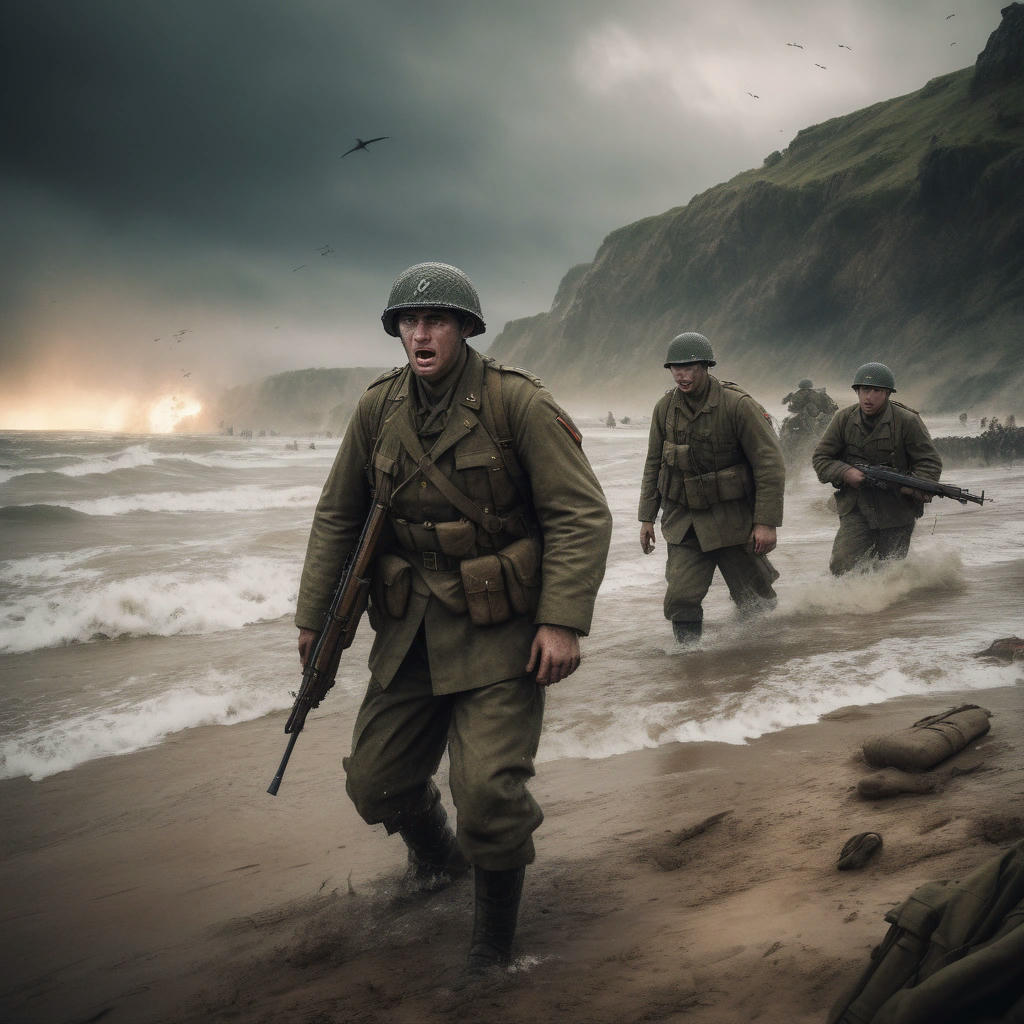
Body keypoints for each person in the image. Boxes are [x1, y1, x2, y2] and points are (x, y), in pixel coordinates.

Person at [294, 261, 612, 974]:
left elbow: (580, 514)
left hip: (502, 633)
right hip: (408, 634)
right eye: (409, 321)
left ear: (466, 329)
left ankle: (491, 947)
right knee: (374, 783)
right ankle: (439, 864)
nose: (421, 333)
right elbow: (338, 513)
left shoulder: (515, 404)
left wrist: (562, 622)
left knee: (490, 796)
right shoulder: (378, 409)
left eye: (436, 320)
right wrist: (315, 616)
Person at [638, 332, 785, 644]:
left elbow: (769, 464)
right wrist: (646, 517)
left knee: (755, 599)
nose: (681, 375)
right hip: (684, 523)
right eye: (675, 368)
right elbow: (654, 464)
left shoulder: (737, 406)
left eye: (689, 367)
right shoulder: (664, 409)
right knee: (680, 599)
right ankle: (689, 666)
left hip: (734, 522)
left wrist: (766, 522)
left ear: (705, 366)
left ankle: (761, 664)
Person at [812, 362, 942, 575]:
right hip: (856, 507)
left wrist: (916, 488)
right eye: (864, 390)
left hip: (897, 509)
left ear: (888, 393)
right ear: (857, 391)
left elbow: (930, 462)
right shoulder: (843, 419)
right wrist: (845, 472)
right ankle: (852, 607)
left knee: (890, 571)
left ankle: (890, 608)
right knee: (842, 566)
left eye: (876, 391)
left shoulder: (907, 421)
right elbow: (821, 458)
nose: (869, 397)